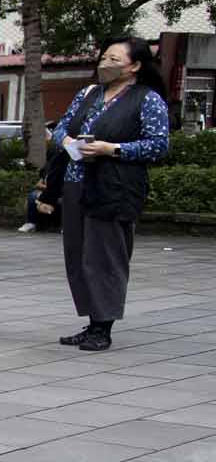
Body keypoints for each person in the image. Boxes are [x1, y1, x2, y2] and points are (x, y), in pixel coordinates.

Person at [49, 35, 172, 352]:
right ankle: (91, 320)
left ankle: (103, 326)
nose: (105, 63)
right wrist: (68, 144)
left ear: (134, 66)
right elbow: (62, 127)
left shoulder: (146, 99)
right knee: (78, 254)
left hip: (115, 186)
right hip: (77, 181)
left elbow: (159, 145)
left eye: (114, 59)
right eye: (103, 58)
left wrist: (112, 149)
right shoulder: (89, 93)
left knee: (105, 257)